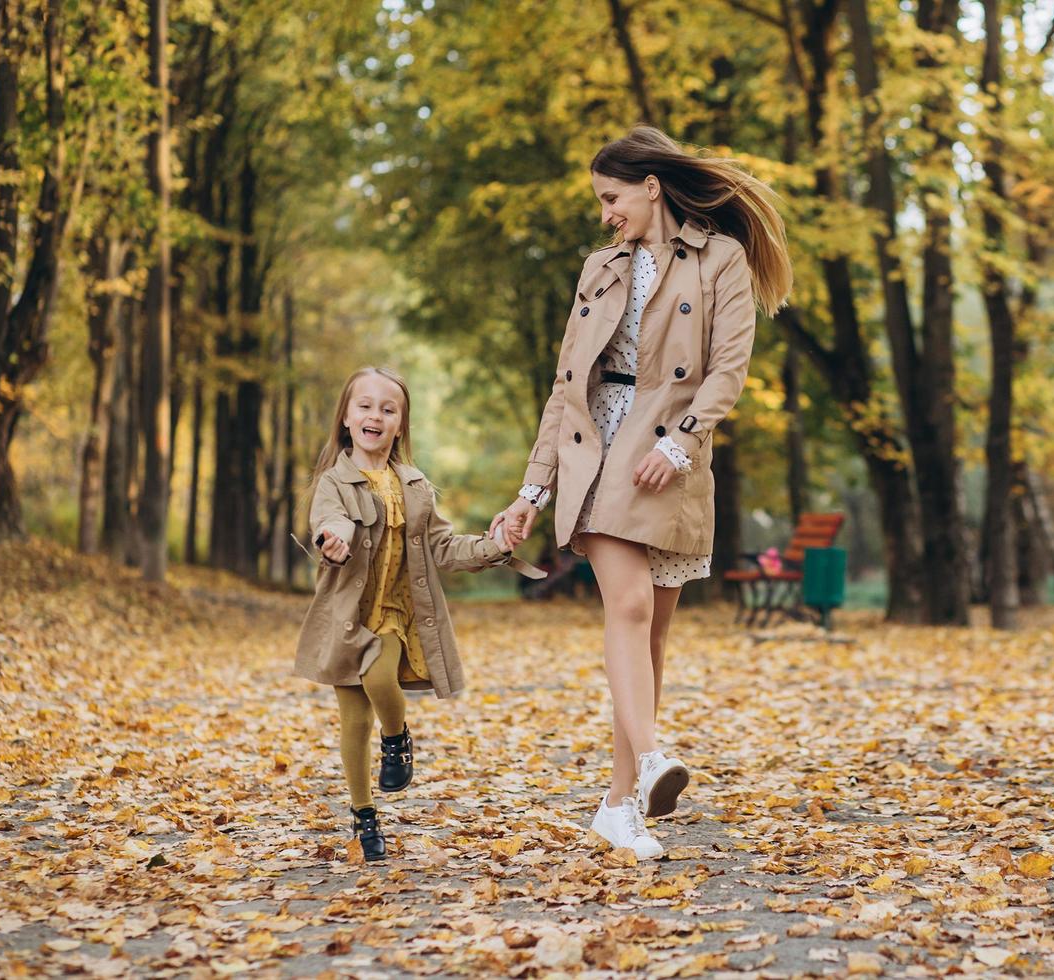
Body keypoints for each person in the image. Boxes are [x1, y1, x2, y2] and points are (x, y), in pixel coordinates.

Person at [493, 126, 792, 859]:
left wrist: (681, 440)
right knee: (625, 607)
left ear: (650, 186)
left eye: (611, 197)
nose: (605, 213)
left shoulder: (720, 259)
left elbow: (729, 368)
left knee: (651, 637)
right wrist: (533, 489)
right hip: (598, 450)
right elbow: (567, 388)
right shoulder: (599, 269)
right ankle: (654, 759)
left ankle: (618, 806)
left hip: (671, 457)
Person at [295, 366, 539, 861]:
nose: (375, 416)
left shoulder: (415, 485)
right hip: (347, 617)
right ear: (346, 417)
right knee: (352, 720)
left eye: (388, 410)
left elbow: (442, 546)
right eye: (364, 406)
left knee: (381, 681)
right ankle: (364, 817)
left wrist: (493, 545)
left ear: (400, 425)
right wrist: (333, 540)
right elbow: (329, 521)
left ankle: (398, 735)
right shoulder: (333, 483)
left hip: (393, 613)